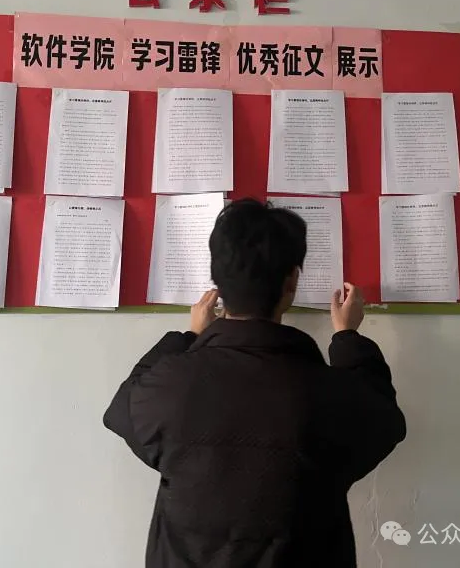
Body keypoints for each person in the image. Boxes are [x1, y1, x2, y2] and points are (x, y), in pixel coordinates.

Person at [103, 198, 406, 568]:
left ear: (217, 281)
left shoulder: (169, 385)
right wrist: (347, 338)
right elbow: (383, 421)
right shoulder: (328, 392)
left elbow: (121, 410)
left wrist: (189, 336)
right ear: (291, 281)